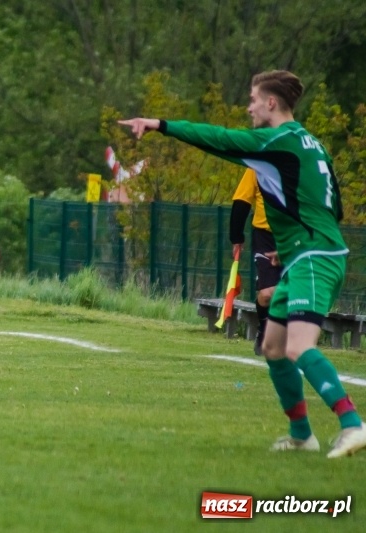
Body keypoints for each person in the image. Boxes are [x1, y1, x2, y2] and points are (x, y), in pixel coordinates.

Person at [119, 70, 366, 459]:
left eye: (253, 99)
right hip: (308, 253)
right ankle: (302, 434)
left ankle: (352, 424)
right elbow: (332, 203)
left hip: (314, 258)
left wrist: (160, 125)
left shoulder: (275, 141)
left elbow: (218, 139)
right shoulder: (311, 142)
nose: (248, 106)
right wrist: (298, 243)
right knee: (272, 346)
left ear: (271, 102)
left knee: (300, 348)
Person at [229, 168, 280, 355]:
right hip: (265, 237)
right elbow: (242, 200)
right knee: (267, 294)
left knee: (290, 293)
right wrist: (236, 236)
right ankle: (264, 329)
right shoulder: (257, 167)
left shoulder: (297, 167)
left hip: (292, 237)